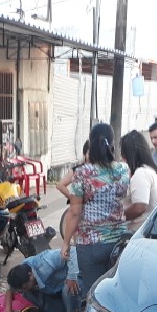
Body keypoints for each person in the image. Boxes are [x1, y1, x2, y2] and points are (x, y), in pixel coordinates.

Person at [60, 122, 130, 299]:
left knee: (96, 296)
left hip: (90, 244)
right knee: (116, 294)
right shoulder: (123, 169)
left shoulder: (82, 173)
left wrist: (66, 242)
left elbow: (75, 212)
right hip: (118, 242)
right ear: (112, 145)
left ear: (90, 146)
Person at [6, 246, 79, 312]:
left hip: (69, 281)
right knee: (29, 294)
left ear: (30, 275)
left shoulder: (46, 261)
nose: (24, 290)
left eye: (25, 287)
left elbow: (72, 251)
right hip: (52, 291)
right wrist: (8, 309)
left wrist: (71, 277)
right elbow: (10, 289)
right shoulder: (19, 275)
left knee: (68, 290)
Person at [120, 130, 157, 233]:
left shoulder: (141, 173)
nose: (122, 159)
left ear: (130, 154)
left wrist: (117, 217)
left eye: (124, 155)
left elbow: (139, 207)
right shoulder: (152, 170)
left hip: (137, 230)